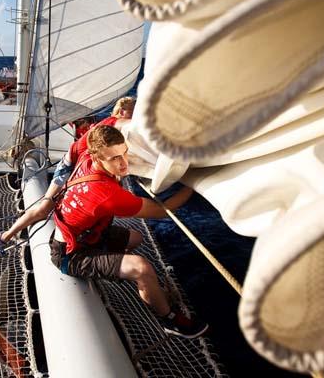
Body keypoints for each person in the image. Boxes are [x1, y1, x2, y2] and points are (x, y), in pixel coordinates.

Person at [47, 125, 207, 338]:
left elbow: (107, 124)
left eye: (124, 153)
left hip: (84, 236)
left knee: (136, 238)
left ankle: (118, 267)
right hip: (71, 255)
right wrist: (195, 184)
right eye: (114, 159)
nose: (124, 163)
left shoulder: (86, 155)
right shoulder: (106, 193)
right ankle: (170, 321)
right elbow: (163, 211)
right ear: (97, 157)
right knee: (142, 267)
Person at [0, 97, 136, 247]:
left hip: (84, 165)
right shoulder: (113, 122)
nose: (136, 116)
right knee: (44, 209)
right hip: (71, 164)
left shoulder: (116, 130)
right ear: (122, 111)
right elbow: (134, 125)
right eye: (135, 112)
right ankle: (5, 237)